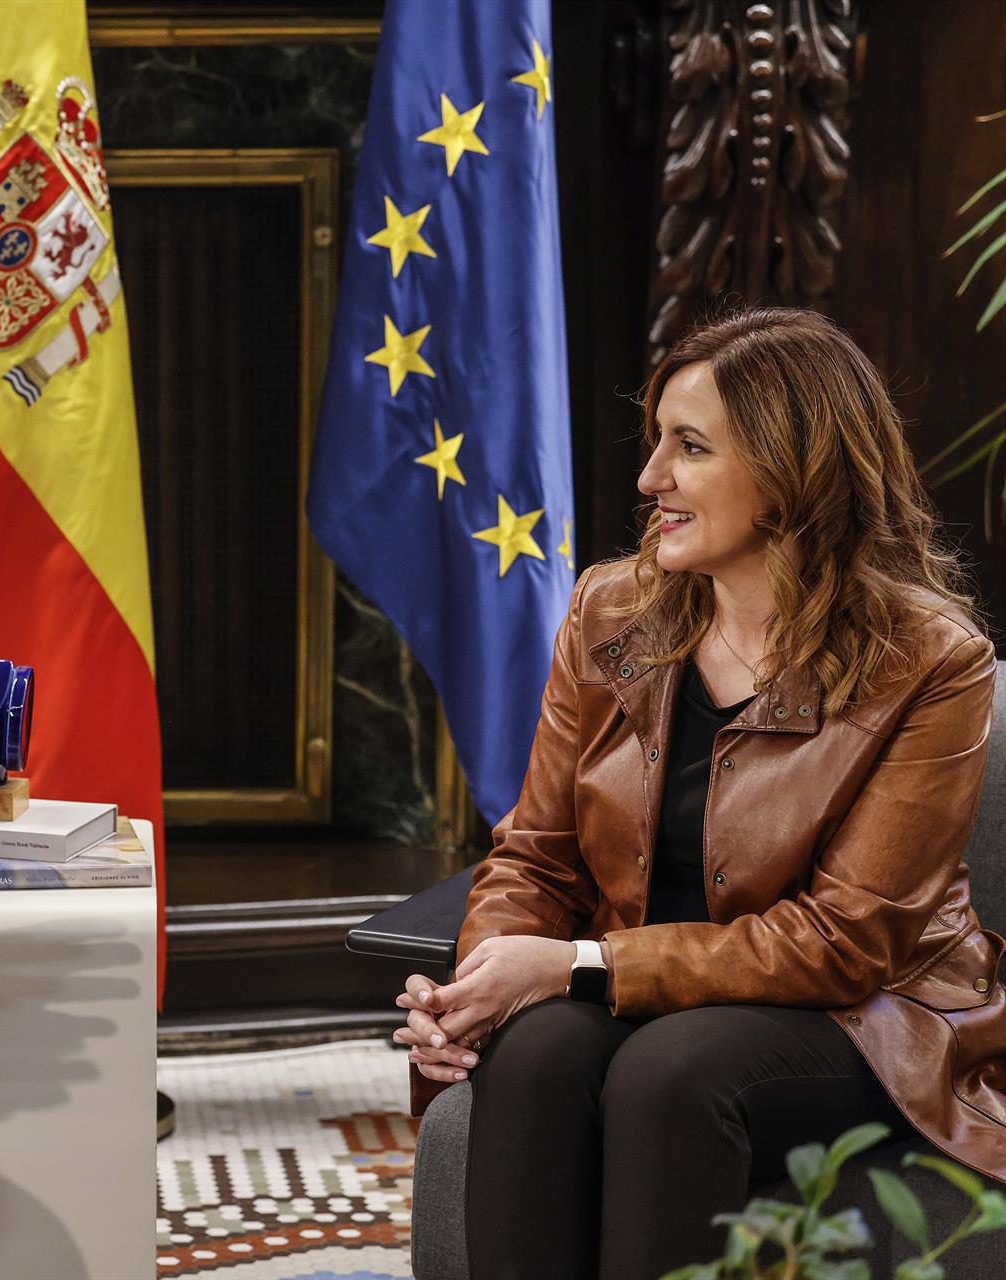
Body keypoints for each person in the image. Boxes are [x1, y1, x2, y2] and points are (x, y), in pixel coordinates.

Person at [395, 308, 1006, 1278]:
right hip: (638, 980)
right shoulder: (610, 612)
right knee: (536, 1052)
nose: (650, 479)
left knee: (669, 1073)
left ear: (793, 468)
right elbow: (535, 855)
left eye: (689, 447)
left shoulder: (931, 661)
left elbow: (847, 942)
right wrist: (478, 986)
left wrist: (579, 963)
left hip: (865, 1013)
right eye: (656, 443)